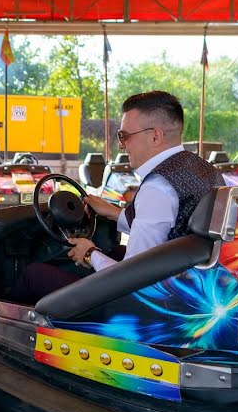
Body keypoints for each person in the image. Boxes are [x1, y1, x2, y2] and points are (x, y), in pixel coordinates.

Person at [12, 90, 224, 303]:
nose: (122, 145)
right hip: (189, 287)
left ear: (155, 136)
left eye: (124, 136)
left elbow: (132, 281)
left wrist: (89, 253)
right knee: (113, 251)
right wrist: (113, 213)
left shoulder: (158, 188)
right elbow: (169, 230)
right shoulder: (205, 170)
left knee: (34, 274)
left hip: (149, 304)